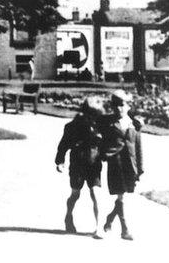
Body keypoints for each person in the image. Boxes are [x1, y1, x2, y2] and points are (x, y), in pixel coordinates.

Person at [55, 96, 105, 238]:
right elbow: (63, 145)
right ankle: (68, 216)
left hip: (94, 164)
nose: (94, 117)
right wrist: (60, 161)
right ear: (85, 112)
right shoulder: (72, 126)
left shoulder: (99, 126)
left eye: (96, 114)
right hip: (77, 163)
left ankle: (98, 227)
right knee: (75, 194)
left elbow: (107, 142)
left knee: (96, 194)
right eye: (92, 114)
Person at [100, 89, 143, 241]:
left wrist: (140, 169)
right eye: (116, 105)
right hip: (115, 163)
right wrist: (103, 154)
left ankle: (110, 219)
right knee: (121, 195)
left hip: (129, 164)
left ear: (128, 106)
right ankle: (125, 230)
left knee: (122, 196)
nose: (119, 108)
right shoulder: (107, 123)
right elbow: (98, 140)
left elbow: (138, 147)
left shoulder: (134, 124)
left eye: (122, 105)